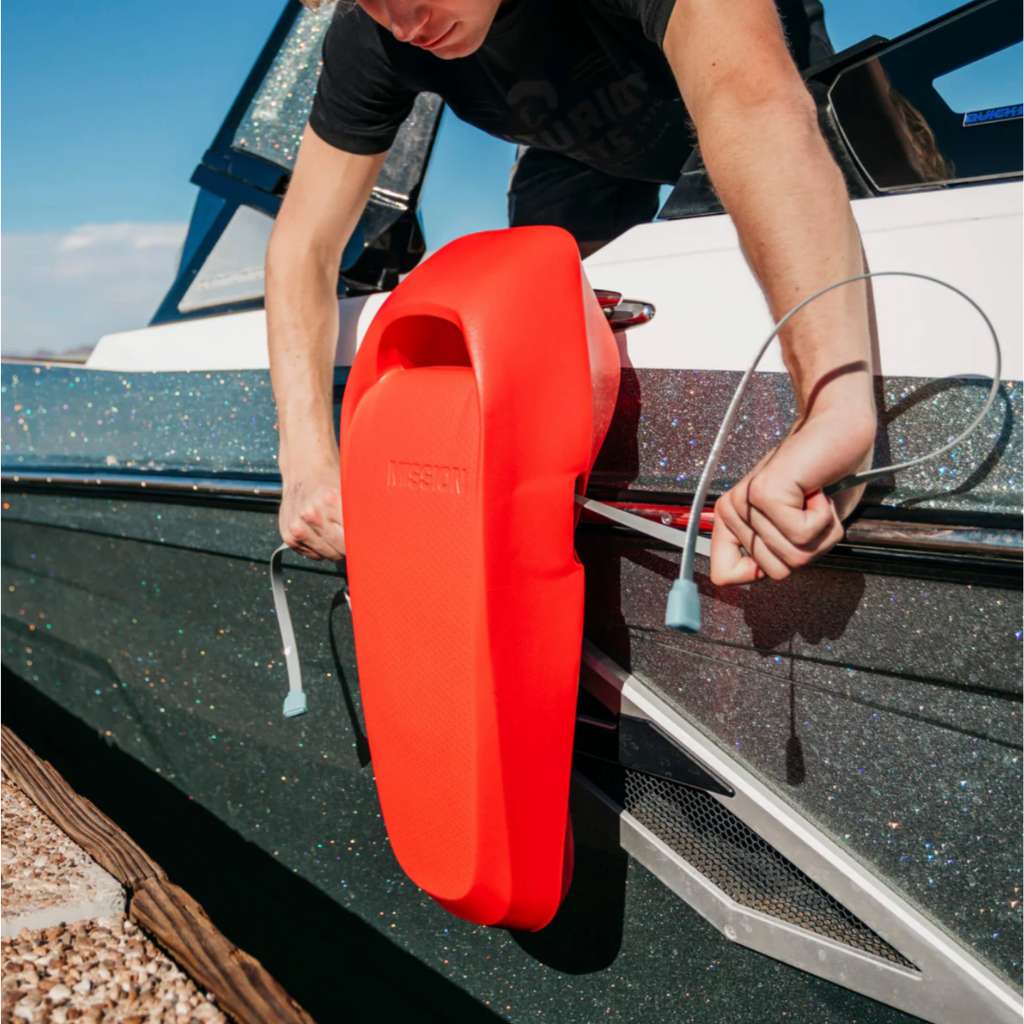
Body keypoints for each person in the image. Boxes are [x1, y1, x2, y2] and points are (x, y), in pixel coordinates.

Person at [267, 0, 877, 587]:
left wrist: (833, 407)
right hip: (584, 149)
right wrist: (305, 463)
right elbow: (304, 246)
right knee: (541, 323)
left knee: (713, 285)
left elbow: (749, 103)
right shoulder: (373, 34)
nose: (403, 24)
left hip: (759, 88)